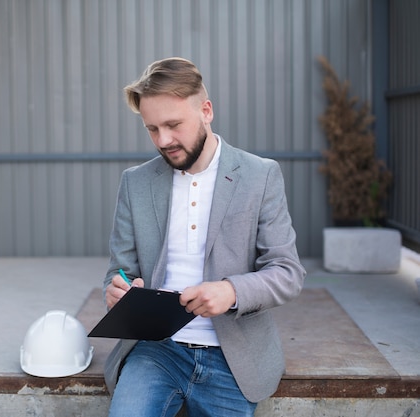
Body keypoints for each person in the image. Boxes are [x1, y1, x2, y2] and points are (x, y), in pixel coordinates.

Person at [102, 57, 306, 417]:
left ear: (206, 111)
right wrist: (117, 290)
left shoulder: (260, 175)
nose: (163, 140)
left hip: (235, 355)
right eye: (152, 129)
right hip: (156, 349)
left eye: (173, 125)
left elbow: (287, 273)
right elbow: (119, 271)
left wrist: (231, 291)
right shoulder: (135, 182)